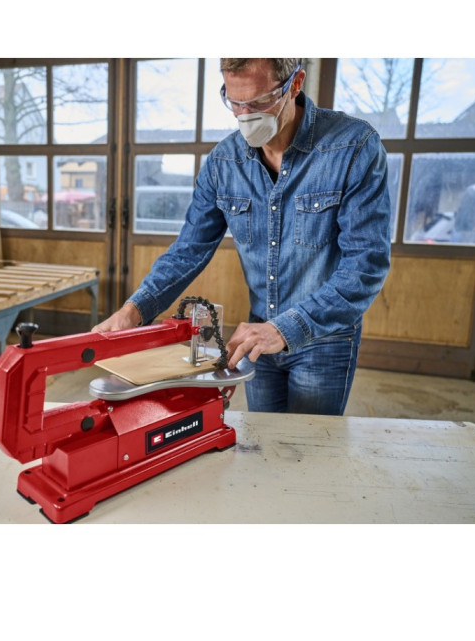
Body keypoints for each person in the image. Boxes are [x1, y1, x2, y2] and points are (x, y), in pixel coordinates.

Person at [93, 58, 391, 415]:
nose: (245, 115)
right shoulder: (224, 163)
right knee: (264, 439)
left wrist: (285, 328)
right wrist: (134, 310)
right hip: (256, 336)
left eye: (259, 102)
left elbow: (365, 267)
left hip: (324, 339)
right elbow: (188, 250)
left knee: (309, 445)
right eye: (234, 102)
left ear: (295, 83)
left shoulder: (353, 147)